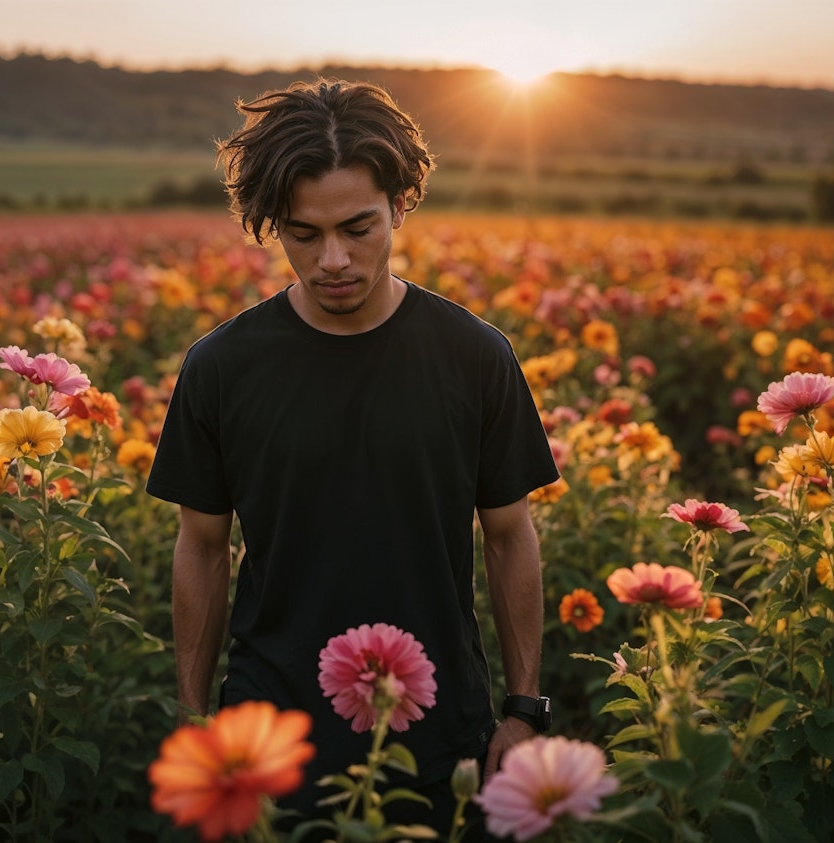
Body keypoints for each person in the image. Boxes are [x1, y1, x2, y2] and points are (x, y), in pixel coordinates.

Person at [145, 78, 559, 832]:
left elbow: (509, 535)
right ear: (273, 224)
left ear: (401, 204)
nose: (332, 257)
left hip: (440, 734)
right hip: (269, 738)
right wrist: (191, 716)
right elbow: (201, 547)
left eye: (358, 227)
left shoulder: (474, 357)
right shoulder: (221, 367)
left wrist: (524, 708)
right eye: (304, 234)